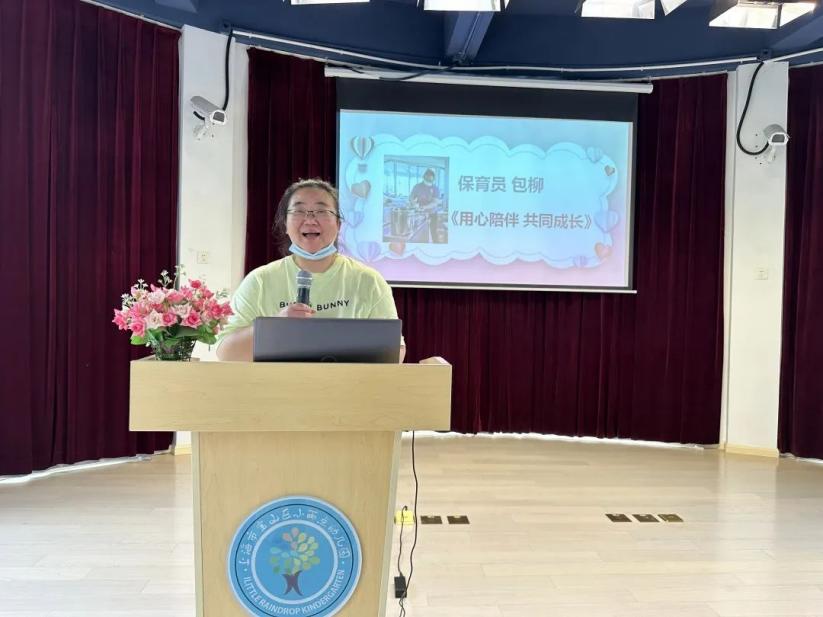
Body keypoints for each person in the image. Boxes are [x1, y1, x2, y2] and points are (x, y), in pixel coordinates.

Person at [216, 178, 406, 362]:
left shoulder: (369, 281)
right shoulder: (260, 280)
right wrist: (275, 326)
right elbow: (226, 353)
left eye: (321, 211)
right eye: (299, 211)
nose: (310, 220)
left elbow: (395, 352)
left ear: (338, 224)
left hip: (347, 384)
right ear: (285, 224)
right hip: (278, 384)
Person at [409, 169, 442, 243]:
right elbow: (411, 197)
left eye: (430, 180)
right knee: (419, 231)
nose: (428, 182)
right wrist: (414, 204)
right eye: (427, 179)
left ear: (433, 179)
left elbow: (435, 202)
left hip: (432, 213)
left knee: (434, 232)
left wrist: (424, 207)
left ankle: (436, 245)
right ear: (424, 177)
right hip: (420, 213)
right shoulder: (417, 187)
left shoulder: (435, 188)